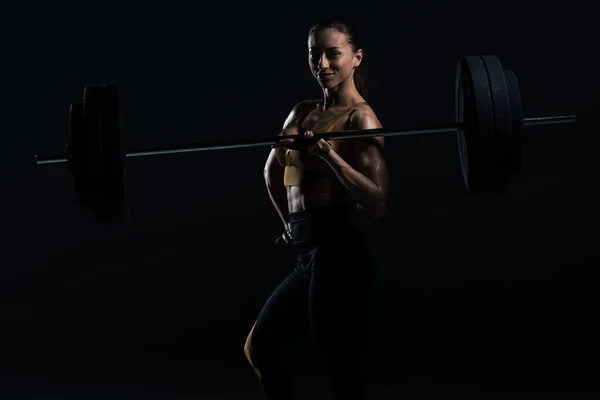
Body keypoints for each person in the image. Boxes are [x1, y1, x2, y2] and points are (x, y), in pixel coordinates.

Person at [244, 16, 388, 400]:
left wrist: (329, 158)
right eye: (314, 54)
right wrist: (288, 222)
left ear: (356, 58)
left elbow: (377, 201)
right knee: (259, 347)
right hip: (307, 252)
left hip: (339, 253)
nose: (322, 64)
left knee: (340, 367)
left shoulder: (362, 119)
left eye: (332, 54)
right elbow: (272, 169)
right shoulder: (302, 112)